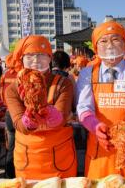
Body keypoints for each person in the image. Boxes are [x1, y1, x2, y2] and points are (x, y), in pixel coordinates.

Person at [76, 21, 125, 179]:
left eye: (115, 39)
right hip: (100, 150)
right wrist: (95, 126)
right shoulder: (87, 74)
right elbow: (84, 108)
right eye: (103, 41)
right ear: (95, 46)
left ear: (124, 43)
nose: (110, 45)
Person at [5, 35, 77, 179]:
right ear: (22, 59)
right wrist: (28, 119)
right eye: (30, 55)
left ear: (50, 58)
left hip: (60, 157)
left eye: (42, 55)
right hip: (27, 157)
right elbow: (19, 124)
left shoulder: (63, 83)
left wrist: (51, 113)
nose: (36, 60)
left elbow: (62, 117)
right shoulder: (13, 89)